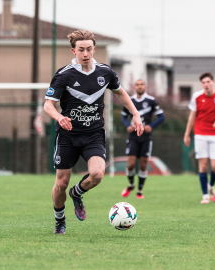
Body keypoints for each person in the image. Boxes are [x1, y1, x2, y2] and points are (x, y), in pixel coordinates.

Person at [44, 30, 144, 234]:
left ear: (94, 49)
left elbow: (121, 93)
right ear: (74, 51)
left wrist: (135, 113)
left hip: (93, 134)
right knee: (61, 183)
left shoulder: (105, 72)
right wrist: (59, 117)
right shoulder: (64, 75)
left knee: (97, 174)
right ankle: (60, 221)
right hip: (68, 135)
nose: (85, 53)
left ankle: (77, 193)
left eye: (89, 49)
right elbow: (48, 105)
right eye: (81, 50)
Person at [183, 72, 215, 204]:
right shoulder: (196, 96)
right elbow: (192, 116)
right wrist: (187, 134)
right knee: (203, 166)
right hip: (200, 134)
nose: (206, 84)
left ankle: (211, 185)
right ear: (201, 85)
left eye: (208, 82)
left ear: (213, 83)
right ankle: (205, 196)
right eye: (203, 82)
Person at [121, 79, 164, 199]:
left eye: (141, 85)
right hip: (133, 137)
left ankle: (139, 191)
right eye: (137, 85)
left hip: (146, 137)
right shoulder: (130, 100)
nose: (139, 87)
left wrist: (151, 126)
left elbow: (161, 117)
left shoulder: (151, 101)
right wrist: (127, 126)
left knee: (143, 165)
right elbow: (124, 117)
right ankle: (131, 184)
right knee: (131, 164)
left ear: (145, 86)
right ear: (135, 87)